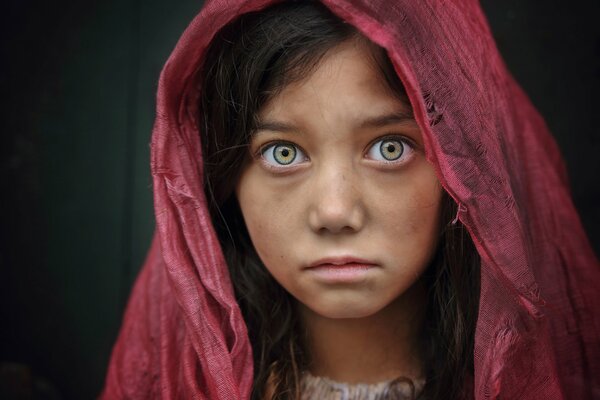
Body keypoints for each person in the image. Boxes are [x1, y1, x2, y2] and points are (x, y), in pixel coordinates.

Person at [102, 1, 600, 399]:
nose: (336, 212)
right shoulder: (178, 384)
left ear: (465, 170)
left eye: (390, 148)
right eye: (283, 152)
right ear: (224, 182)